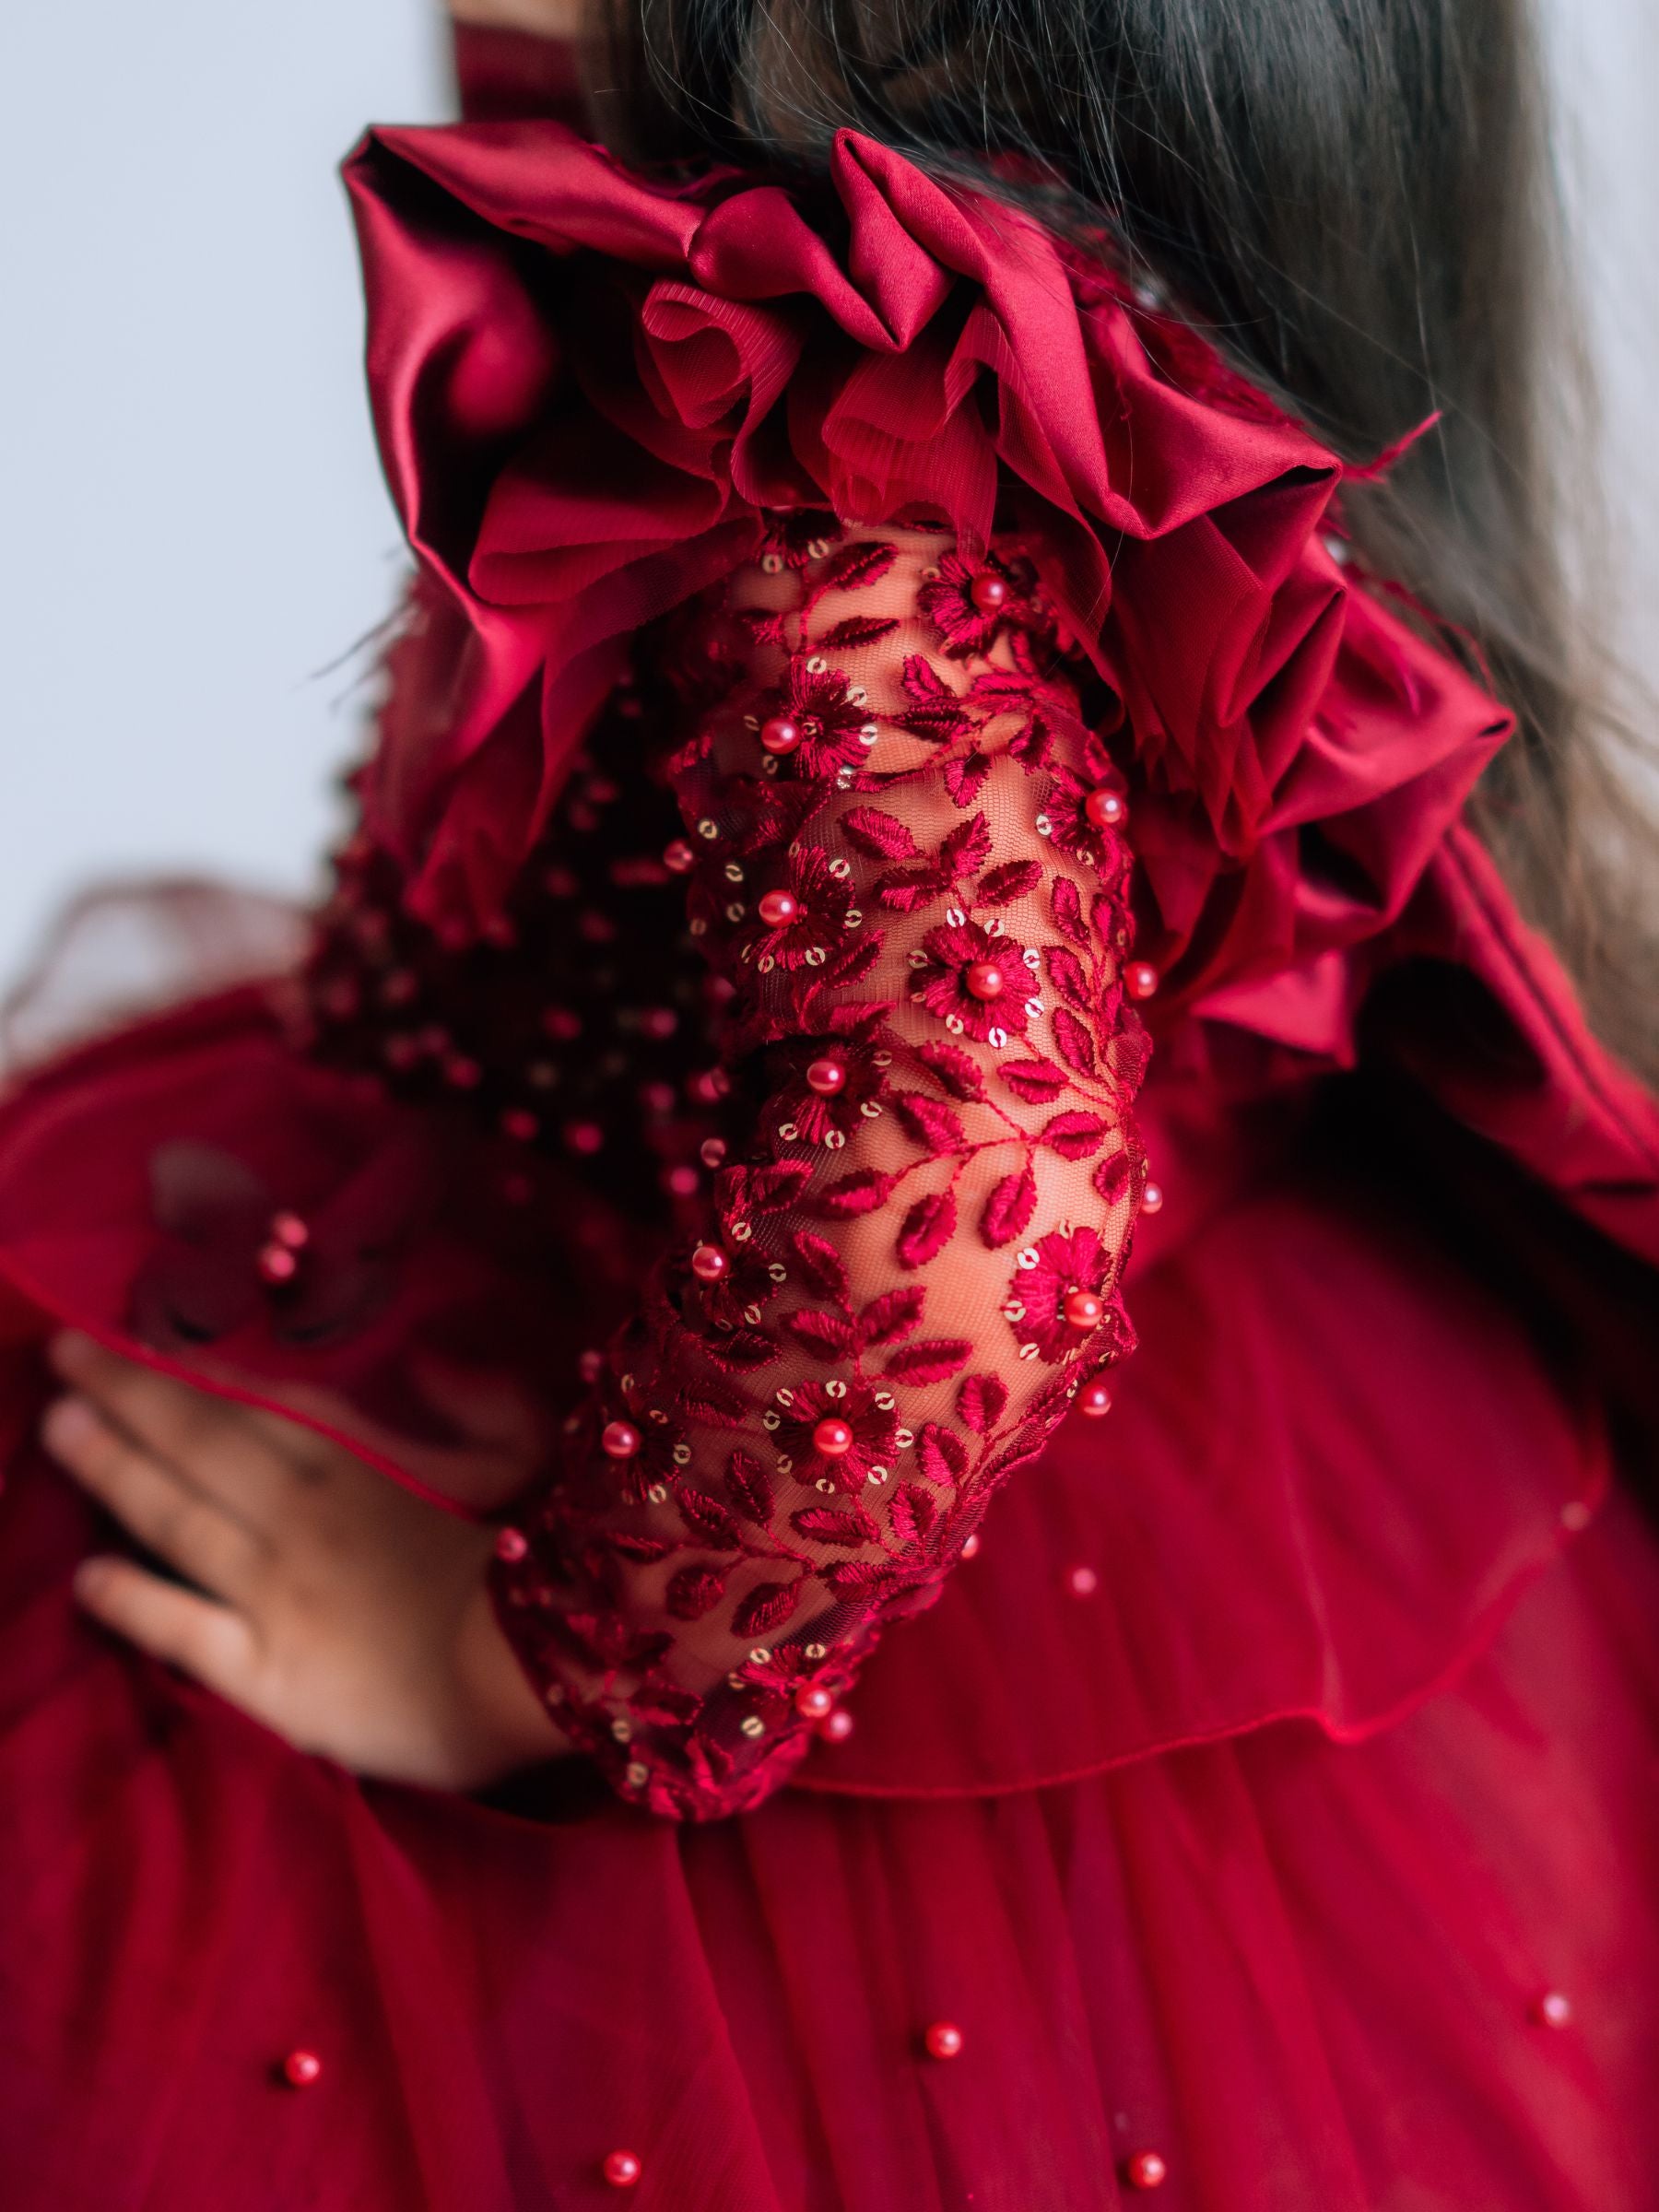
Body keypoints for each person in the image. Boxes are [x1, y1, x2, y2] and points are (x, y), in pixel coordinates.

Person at [0, 0, 1654, 2202]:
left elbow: (981, 1173)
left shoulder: (829, 453)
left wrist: (523, 1654)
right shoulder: (905, 319)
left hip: (791, 1531)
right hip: (975, 1362)